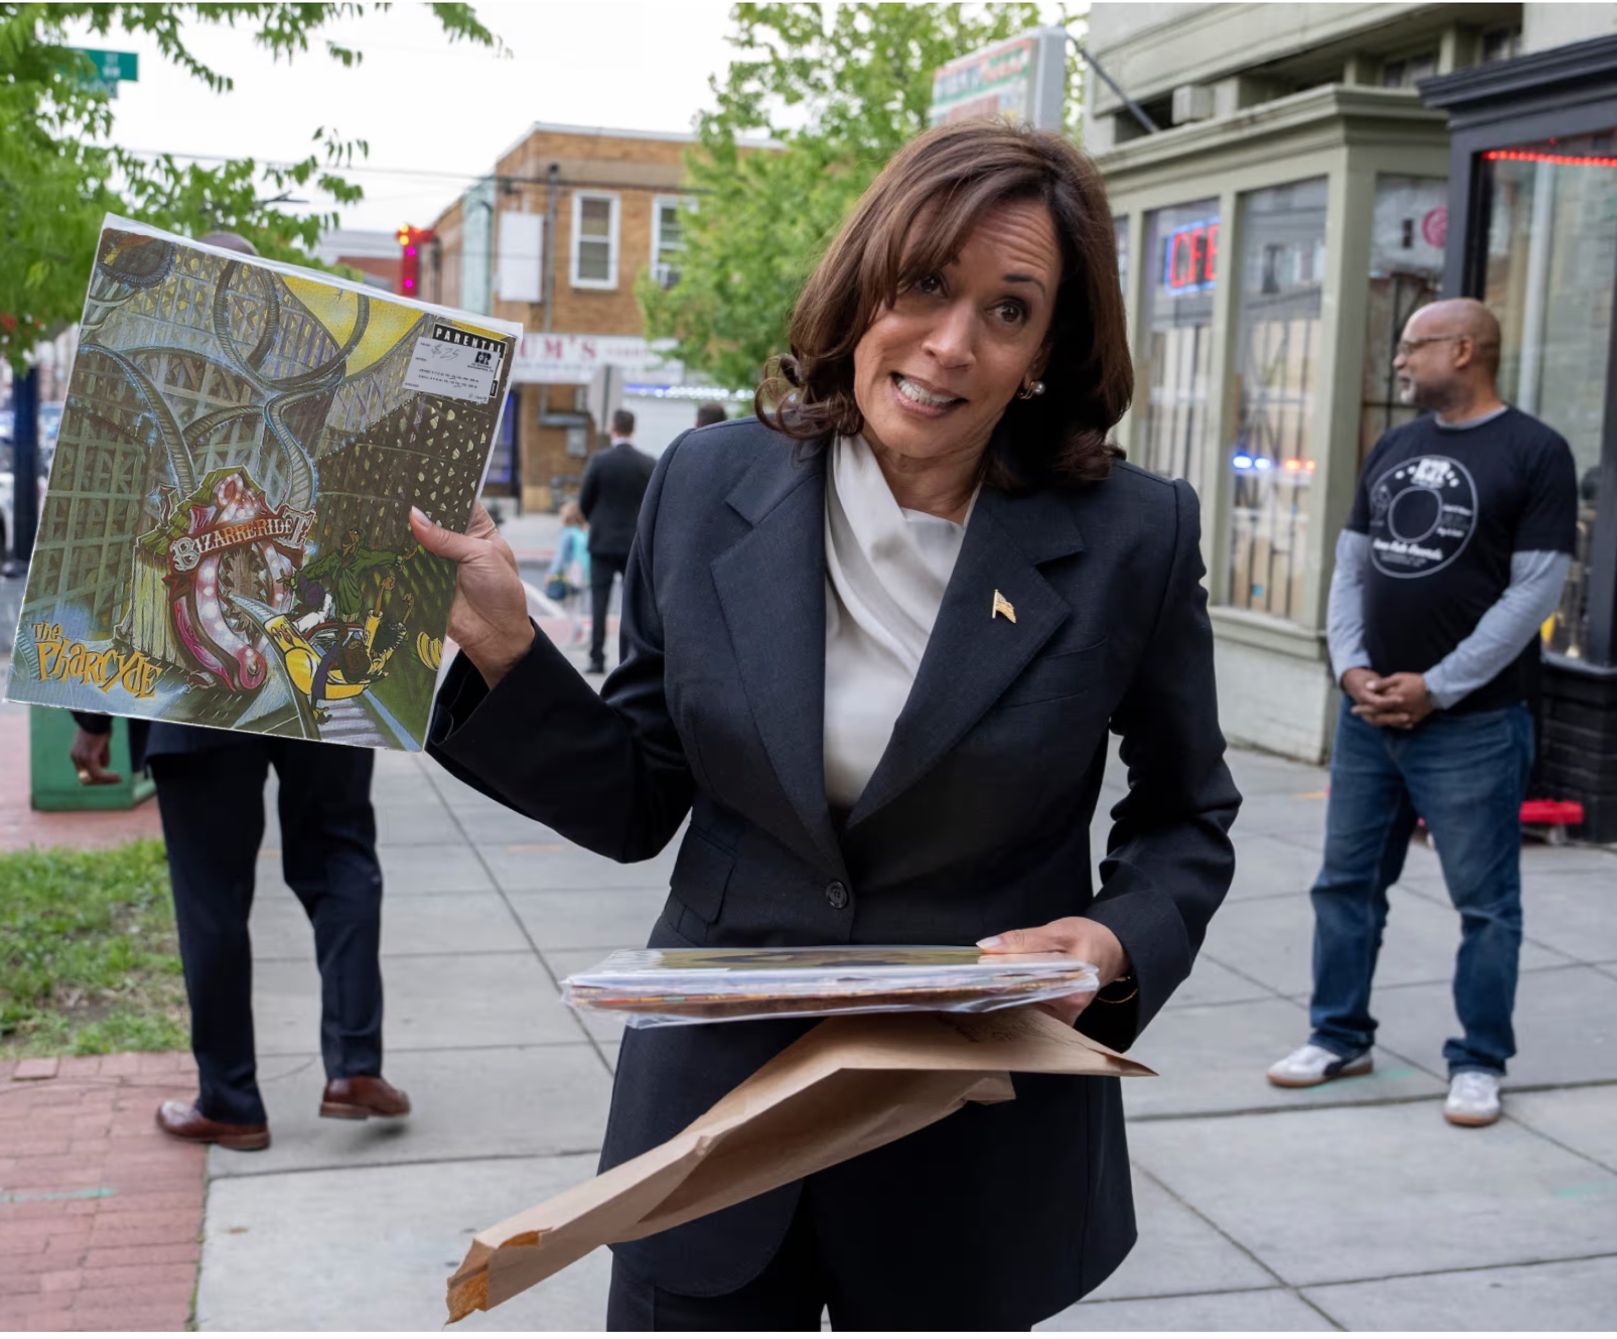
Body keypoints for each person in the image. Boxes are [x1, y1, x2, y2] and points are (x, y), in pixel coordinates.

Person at [408, 121, 1239, 1330]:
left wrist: (1109, 942)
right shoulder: (705, 484)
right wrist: (503, 649)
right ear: (864, 285)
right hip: (709, 1135)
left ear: (1047, 348)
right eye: (923, 286)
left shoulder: (1131, 537)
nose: (949, 345)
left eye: (1007, 311)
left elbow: (1184, 818)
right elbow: (640, 793)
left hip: (962, 1148)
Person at [68, 228, 409, 1154]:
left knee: (211, 894)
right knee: (339, 856)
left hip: (188, 689)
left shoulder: (136, 358)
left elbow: (99, 555)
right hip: (304, 664)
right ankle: (352, 1061)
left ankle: (232, 1100)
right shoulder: (314, 359)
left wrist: (91, 717)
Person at [1267, 299, 1576, 1130]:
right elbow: (1350, 568)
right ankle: (1337, 1035)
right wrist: (1352, 666)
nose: (1400, 360)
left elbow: (1535, 591)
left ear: (1465, 349)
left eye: (1414, 345)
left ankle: (1478, 1060)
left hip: (1472, 726)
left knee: (1486, 903)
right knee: (1346, 887)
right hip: (1369, 720)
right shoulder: (1396, 446)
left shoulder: (1536, 452)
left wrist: (1438, 684)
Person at [576, 408, 656, 674]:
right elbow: (652, 504)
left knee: (599, 600)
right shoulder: (647, 463)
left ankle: (597, 657)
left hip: (602, 542)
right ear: (632, 429)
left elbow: (584, 501)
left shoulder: (600, 461)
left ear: (613, 429)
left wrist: (595, 522)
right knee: (632, 604)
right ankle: (629, 659)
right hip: (634, 542)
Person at [548, 499, 590, 644]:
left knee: (567, 605)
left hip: (570, 572)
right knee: (577, 604)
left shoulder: (567, 533)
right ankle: (576, 634)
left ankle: (582, 630)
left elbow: (560, 556)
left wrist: (552, 573)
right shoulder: (583, 530)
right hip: (584, 572)